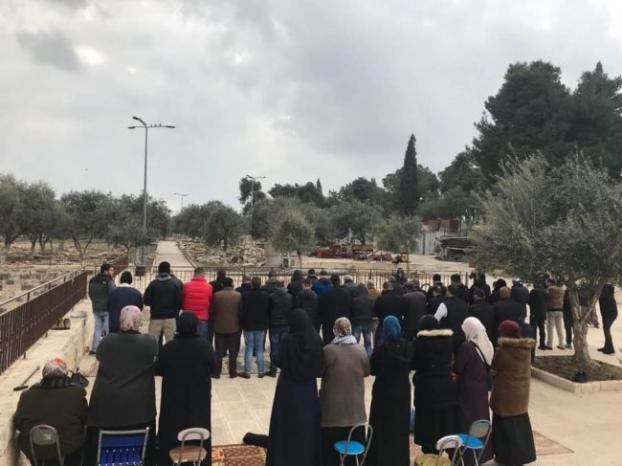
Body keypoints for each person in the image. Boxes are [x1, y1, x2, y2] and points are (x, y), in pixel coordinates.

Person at [87, 306, 158, 464]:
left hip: (104, 412)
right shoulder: (149, 343)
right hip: (140, 412)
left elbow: (100, 357)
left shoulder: (107, 342)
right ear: (138, 322)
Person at [156, 312, 215, 466]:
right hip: (198, 397)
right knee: (198, 424)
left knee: (172, 427)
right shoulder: (205, 346)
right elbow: (214, 369)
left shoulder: (169, 348)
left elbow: (159, 369)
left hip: (173, 397)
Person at [266, 310, 324, 466]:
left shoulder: (288, 340)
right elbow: (321, 365)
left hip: (288, 386)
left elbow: (278, 359)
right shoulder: (316, 339)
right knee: (306, 422)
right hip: (308, 387)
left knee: (286, 422)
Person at [14, 358, 88, 466]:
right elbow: (85, 419)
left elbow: (18, 423)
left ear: (44, 375)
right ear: (65, 374)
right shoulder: (77, 393)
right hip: (66, 449)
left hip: (34, 449)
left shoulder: (27, 395)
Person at [320, 318, 370, 466]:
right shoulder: (360, 350)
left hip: (333, 412)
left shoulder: (328, 350)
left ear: (335, 330)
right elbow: (367, 372)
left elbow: (319, 371)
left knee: (331, 451)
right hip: (356, 411)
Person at [367, 316, 412, 466]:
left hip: (384, 391)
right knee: (400, 427)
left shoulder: (381, 350)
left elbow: (372, 370)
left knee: (382, 427)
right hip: (402, 390)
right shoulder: (408, 347)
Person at [490, 320, 536, 465]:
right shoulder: (526, 349)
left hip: (505, 397)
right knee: (520, 429)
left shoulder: (502, 352)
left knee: (505, 430)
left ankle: (505, 457)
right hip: (521, 396)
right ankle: (522, 457)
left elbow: (494, 369)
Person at [412, 315, 460, 453]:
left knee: (427, 423)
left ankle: (429, 454)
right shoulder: (448, 341)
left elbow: (414, 364)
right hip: (446, 386)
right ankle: (441, 450)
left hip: (426, 388)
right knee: (442, 421)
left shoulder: (420, 343)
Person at [455, 318, 494, 465]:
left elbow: (458, 368)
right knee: (480, 419)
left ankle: (466, 457)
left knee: (466, 422)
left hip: (466, 392)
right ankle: (482, 455)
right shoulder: (487, 345)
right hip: (482, 390)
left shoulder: (466, 347)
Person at [144, 261, 182, 350]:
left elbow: (146, 301)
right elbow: (179, 302)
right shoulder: (175, 284)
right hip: (171, 318)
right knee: (171, 344)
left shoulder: (153, 284)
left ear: (159, 271)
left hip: (156, 317)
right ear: (169, 271)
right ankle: (170, 358)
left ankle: (155, 357)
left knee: (153, 343)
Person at [211, 277, 242, 378]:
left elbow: (212, 310)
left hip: (219, 327)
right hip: (234, 327)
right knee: (233, 352)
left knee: (219, 351)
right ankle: (232, 372)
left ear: (222, 285)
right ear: (232, 284)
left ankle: (217, 373)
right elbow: (240, 311)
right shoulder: (238, 295)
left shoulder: (217, 295)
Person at [240, 276, 270, 378]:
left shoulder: (245, 295)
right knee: (259, 349)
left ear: (251, 284)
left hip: (248, 325)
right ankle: (261, 371)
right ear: (260, 284)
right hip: (261, 325)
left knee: (249, 348)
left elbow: (242, 310)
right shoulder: (265, 295)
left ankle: (247, 372)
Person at [88, 263, 115, 353]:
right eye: (111, 270)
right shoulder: (109, 281)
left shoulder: (92, 280)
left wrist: (95, 302)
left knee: (97, 329)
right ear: (106, 271)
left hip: (96, 308)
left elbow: (90, 294)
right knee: (107, 330)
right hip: (107, 308)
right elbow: (113, 294)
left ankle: (95, 348)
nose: (113, 272)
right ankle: (107, 349)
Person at [268, 279, 293, 377]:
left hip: (274, 324)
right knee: (285, 347)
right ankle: (285, 368)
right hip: (286, 324)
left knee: (274, 348)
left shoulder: (272, 297)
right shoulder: (290, 297)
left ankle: (273, 369)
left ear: (276, 286)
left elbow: (269, 310)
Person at [319, 274, 352, 345]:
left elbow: (320, 308)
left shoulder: (325, 294)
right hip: (343, 322)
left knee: (329, 343)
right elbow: (350, 307)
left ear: (331, 282)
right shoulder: (346, 293)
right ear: (339, 281)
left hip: (329, 322)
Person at [182, 267, 214, 340]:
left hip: (188, 317)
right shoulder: (209, 287)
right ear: (203, 274)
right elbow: (210, 301)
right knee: (201, 340)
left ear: (194, 274)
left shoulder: (186, 286)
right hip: (203, 317)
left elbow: (183, 301)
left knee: (188, 339)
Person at [434, 285, 468, 351]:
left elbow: (435, 319)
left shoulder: (444, 304)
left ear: (448, 292)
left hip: (448, 336)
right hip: (462, 335)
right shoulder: (464, 304)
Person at [373, 281, 405, 346]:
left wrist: (381, 317)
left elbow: (376, 310)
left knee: (380, 344)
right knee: (397, 344)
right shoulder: (400, 298)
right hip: (397, 323)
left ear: (384, 289)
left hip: (383, 323)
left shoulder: (380, 299)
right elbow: (403, 311)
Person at [351, 283, 374, 357]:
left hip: (357, 321)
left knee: (355, 341)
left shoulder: (354, 300)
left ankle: (354, 356)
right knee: (368, 343)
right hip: (368, 321)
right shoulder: (371, 300)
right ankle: (369, 357)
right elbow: (373, 310)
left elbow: (352, 311)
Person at [545, 278, 565, 350]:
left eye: (547, 282)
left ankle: (549, 344)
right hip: (560, 309)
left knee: (550, 328)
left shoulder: (549, 289)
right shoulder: (562, 290)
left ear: (550, 283)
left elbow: (546, 297)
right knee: (559, 328)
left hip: (551, 310)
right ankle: (561, 344)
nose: (546, 284)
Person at [599, 284, 618, 354]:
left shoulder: (605, 293)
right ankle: (606, 347)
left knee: (606, 330)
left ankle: (610, 350)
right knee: (606, 330)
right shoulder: (608, 293)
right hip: (607, 314)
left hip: (609, 315)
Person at [529, 281, 548, 350]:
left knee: (533, 329)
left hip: (534, 312)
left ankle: (533, 344)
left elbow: (529, 301)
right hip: (543, 313)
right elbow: (546, 301)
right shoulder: (544, 291)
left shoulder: (533, 291)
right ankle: (542, 344)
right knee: (542, 328)